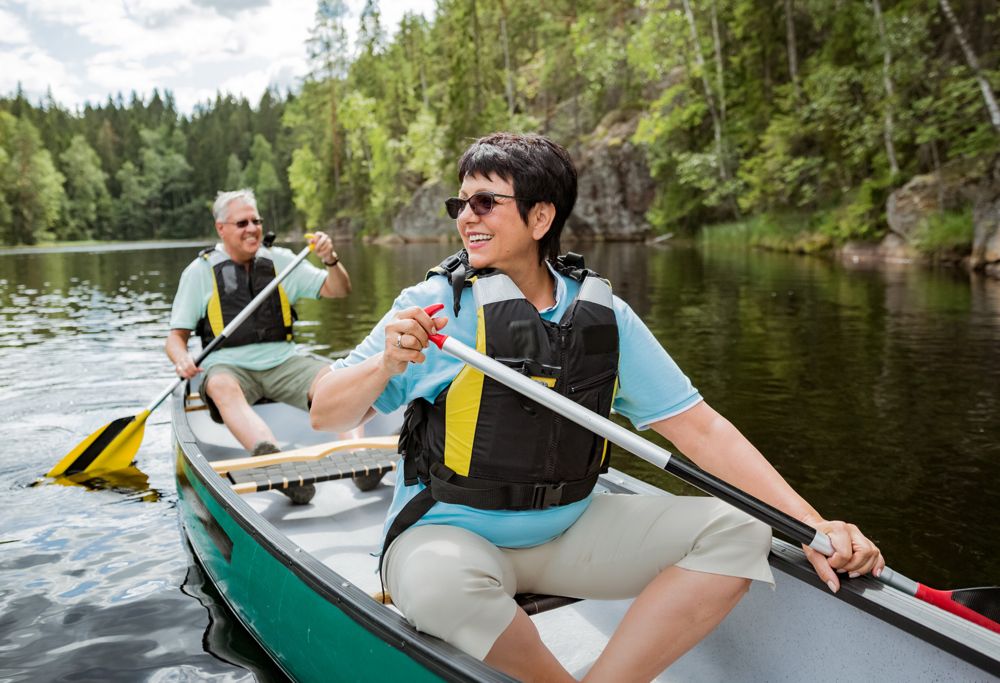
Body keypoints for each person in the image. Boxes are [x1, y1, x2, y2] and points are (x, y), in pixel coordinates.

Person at [309, 133, 884, 681]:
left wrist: (811, 524)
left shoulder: (603, 316)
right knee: (439, 586)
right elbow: (325, 413)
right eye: (459, 202)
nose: (465, 216)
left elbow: (700, 428)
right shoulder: (433, 308)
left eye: (485, 201)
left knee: (742, 530)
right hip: (447, 533)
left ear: (541, 217)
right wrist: (385, 364)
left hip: (570, 528)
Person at [166, 188, 351, 504]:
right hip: (229, 366)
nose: (252, 228)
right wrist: (182, 359)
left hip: (283, 361)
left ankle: (354, 454)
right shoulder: (199, 272)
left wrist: (330, 260)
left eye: (256, 221)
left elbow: (338, 289)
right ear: (221, 229)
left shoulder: (281, 262)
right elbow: (175, 338)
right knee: (221, 386)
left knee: (337, 378)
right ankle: (274, 461)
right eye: (242, 223)